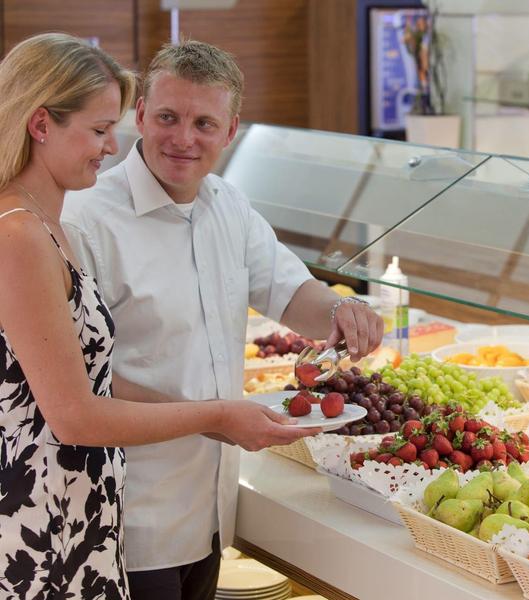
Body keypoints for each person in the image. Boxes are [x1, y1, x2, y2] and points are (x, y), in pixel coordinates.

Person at [62, 40, 383, 600]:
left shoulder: (228, 205)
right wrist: (214, 417)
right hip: (125, 516)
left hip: (211, 511)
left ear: (230, 131)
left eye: (204, 123)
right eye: (168, 117)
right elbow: (81, 382)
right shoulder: (85, 220)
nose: (184, 138)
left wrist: (341, 310)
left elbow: (291, 293)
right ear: (139, 116)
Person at [0, 34, 316, 600]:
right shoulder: (28, 230)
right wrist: (216, 415)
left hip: (86, 505)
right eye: (99, 130)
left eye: (110, 129)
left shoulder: (45, 223)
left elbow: (78, 379)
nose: (108, 147)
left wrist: (344, 311)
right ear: (41, 124)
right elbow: (75, 411)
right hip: (52, 515)